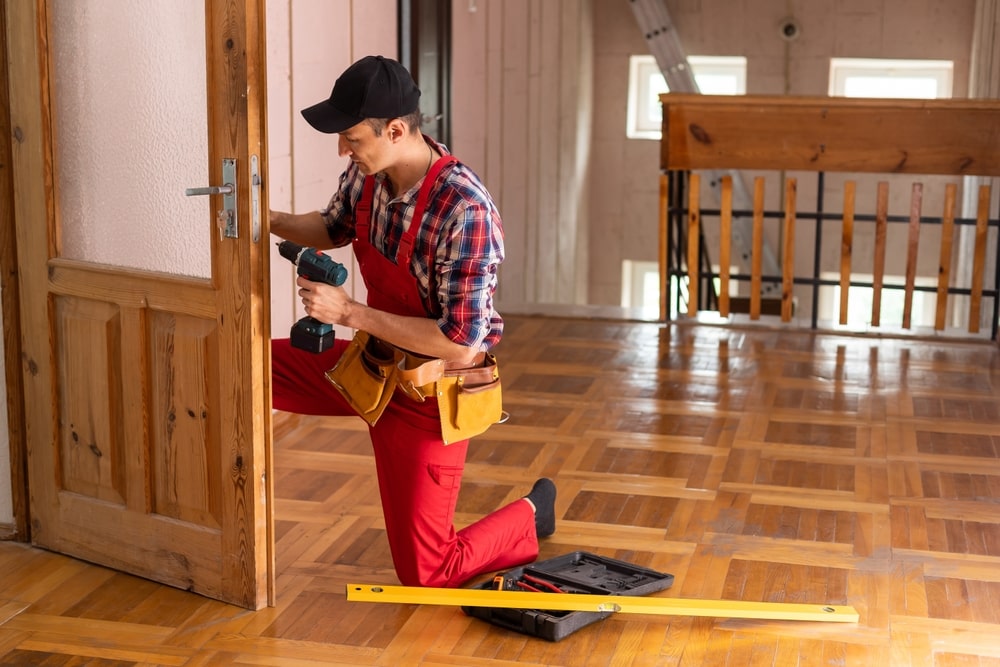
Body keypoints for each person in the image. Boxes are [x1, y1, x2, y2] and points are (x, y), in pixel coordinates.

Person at [269, 55, 556, 588]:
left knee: (427, 572)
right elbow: (333, 227)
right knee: (246, 364)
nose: (343, 149)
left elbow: (458, 343)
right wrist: (270, 220)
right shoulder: (367, 173)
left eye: (351, 138)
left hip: (428, 394)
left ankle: (531, 515)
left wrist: (349, 312)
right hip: (369, 366)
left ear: (395, 130)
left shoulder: (464, 211)